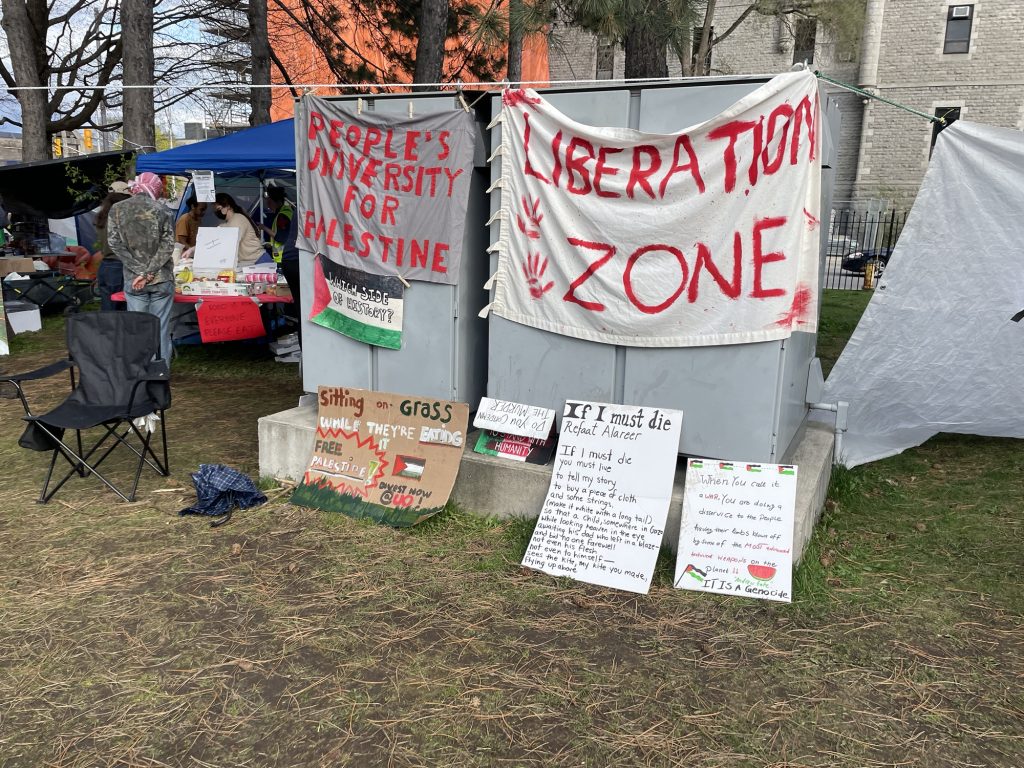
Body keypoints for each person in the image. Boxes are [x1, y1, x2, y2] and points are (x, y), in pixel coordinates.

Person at [107, 172, 175, 363]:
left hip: (133, 279)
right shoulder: (163, 211)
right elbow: (167, 246)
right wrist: (149, 272)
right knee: (160, 327)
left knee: (138, 328)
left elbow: (115, 244)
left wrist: (140, 272)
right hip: (161, 278)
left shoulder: (117, 210)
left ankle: (140, 370)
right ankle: (160, 371)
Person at [261, 186, 301, 341]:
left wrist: (264, 228)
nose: (267, 205)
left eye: (268, 202)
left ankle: (291, 323)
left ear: (272, 201)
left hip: (286, 259)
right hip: (286, 257)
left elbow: (281, 238)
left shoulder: (284, 215)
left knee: (290, 297)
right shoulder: (286, 212)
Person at [94, 190, 131, 311]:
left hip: (105, 265)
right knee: (119, 306)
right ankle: (115, 329)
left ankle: (106, 328)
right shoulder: (119, 219)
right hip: (118, 265)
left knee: (107, 305)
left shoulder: (102, 217)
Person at [213, 193, 267, 268]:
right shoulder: (228, 223)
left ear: (228, 206)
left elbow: (231, 242)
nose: (216, 212)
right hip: (250, 263)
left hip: (259, 262)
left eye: (218, 209)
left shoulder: (238, 219)